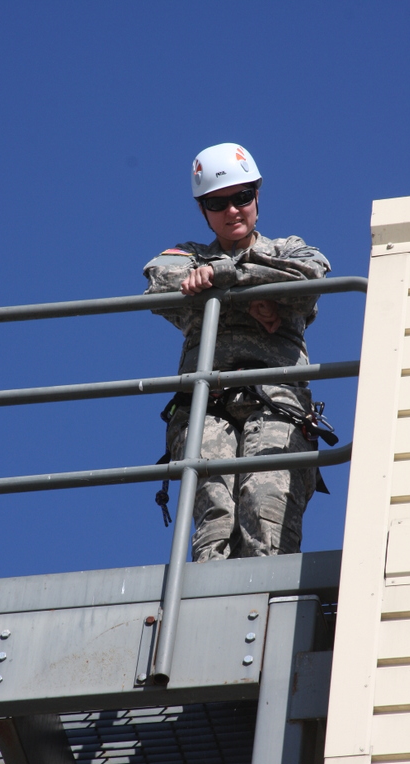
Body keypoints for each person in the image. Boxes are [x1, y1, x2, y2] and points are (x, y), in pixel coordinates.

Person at [143, 143, 331, 562]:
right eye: (217, 202)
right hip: (204, 404)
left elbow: (313, 273)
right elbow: (158, 280)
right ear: (203, 209)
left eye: (242, 197)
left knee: (267, 510)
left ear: (257, 194)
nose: (232, 211)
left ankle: (267, 610)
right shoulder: (189, 257)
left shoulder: (288, 249)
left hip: (278, 403)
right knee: (214, 521)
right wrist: (255, 297)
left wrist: (227, 278)